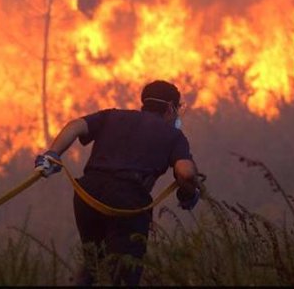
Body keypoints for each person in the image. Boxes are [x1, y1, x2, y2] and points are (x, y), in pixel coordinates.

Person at [34, 80, 200, 286]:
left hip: (88, 195)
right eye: (178, 108)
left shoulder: (112, 116)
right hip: (127, 202)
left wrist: (52, 154)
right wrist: (189, 194)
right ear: (170, 107)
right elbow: (185, 172)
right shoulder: (174, 136)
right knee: (124, 273)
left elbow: (75, 125)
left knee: (94, 261)